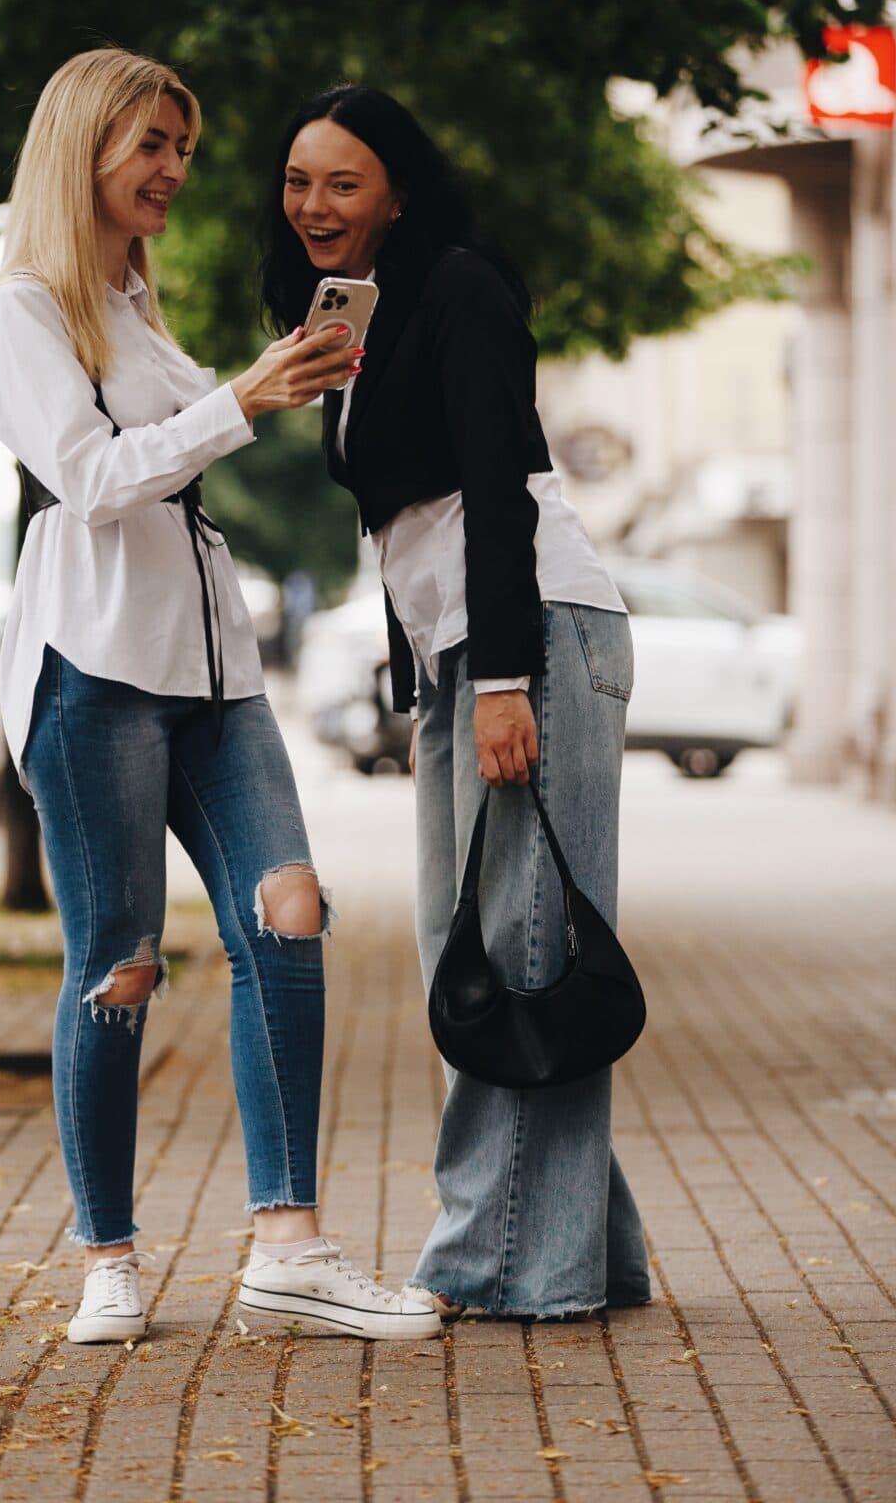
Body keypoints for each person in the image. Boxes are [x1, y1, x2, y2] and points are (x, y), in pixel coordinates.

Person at [0, 49, 442, 1344]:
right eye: (153, 146)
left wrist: (280, 377)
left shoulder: (139, 308)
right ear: (85, 150)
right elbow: (90, 477)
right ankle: (107, 1257)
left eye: (183, 147)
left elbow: (188, 437)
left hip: (215, 666)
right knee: (119, 964)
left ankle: (288, 1245)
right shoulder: (24, 310)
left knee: (288, 907)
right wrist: (239, 399)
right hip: (95, 663)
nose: (175, 171)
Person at [259, 85, 651, 1321]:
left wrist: (494, 678)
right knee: (471, 954)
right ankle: (589, 1248)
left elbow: (493, 486)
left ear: (398, 191)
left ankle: (496, 1263)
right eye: (298, 181)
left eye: (343, 182)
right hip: (460, 657)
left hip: (530, 641)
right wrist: (427, 673)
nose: (315, 205)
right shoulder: (356, 320)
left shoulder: (462, 287)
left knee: (522, 957)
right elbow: (392, 522)